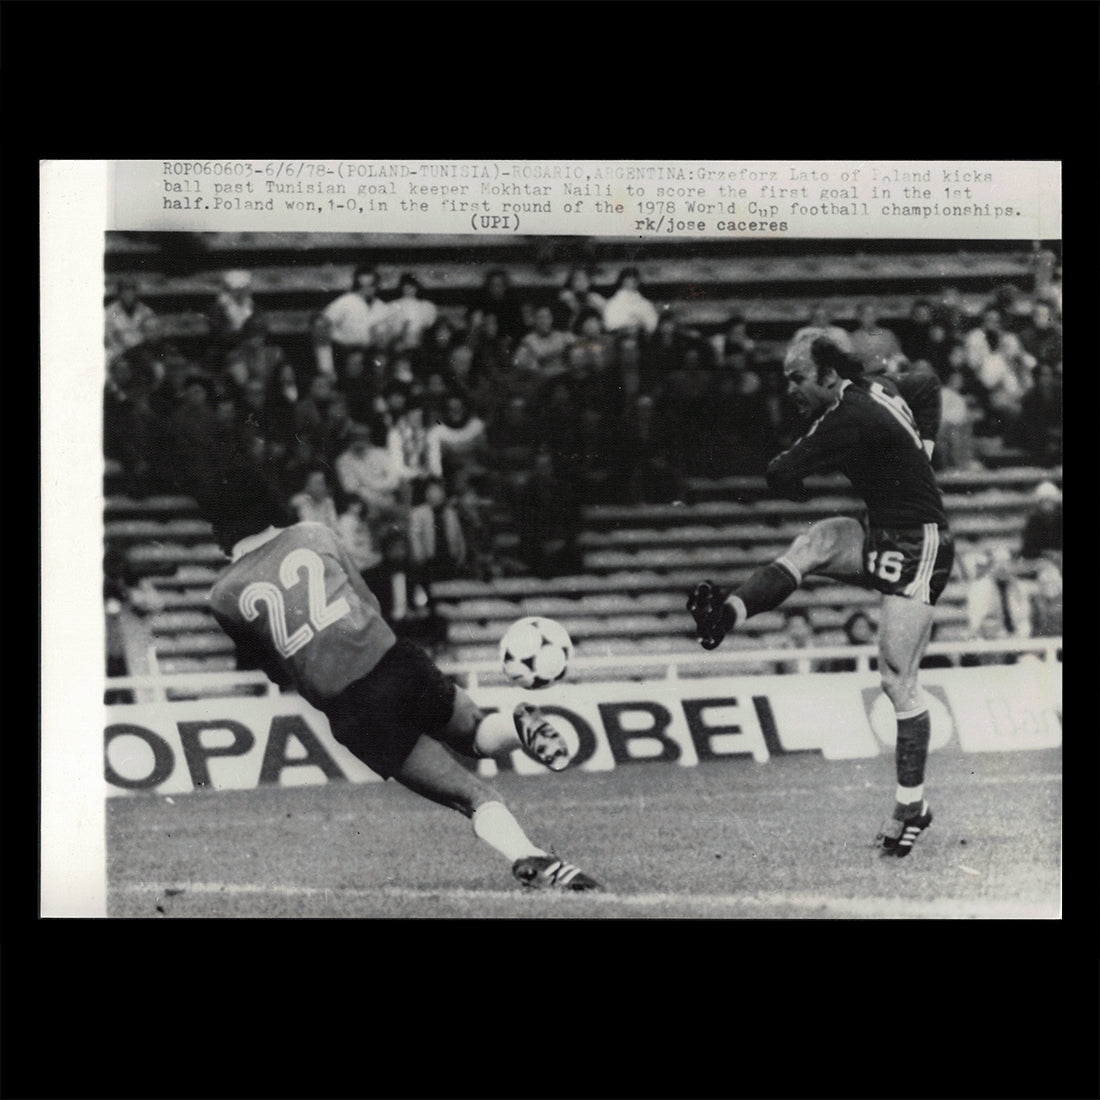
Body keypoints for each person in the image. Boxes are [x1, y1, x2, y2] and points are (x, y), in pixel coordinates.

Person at [198, 461, 602, 892]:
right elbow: (366, 600)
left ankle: (531, 859)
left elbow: (278, 671)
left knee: (472, 796)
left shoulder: (223, 596)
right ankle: (518, 727)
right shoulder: (313, 534)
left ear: (219, 526)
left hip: (354, 709)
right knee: (477, 732)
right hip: (395, 661)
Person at [687, 329, 954, 858]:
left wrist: (791, 478)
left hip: (920, 540)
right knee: (817, 542)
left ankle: (911, 806)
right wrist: (921, 445)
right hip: (883, 528)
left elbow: (780, 470)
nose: (790, 389)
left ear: (830, 375)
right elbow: (926, 383)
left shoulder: (847, 416)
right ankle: (727, 614)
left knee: (897, 677)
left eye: (797, 378)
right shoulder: (876, 387)